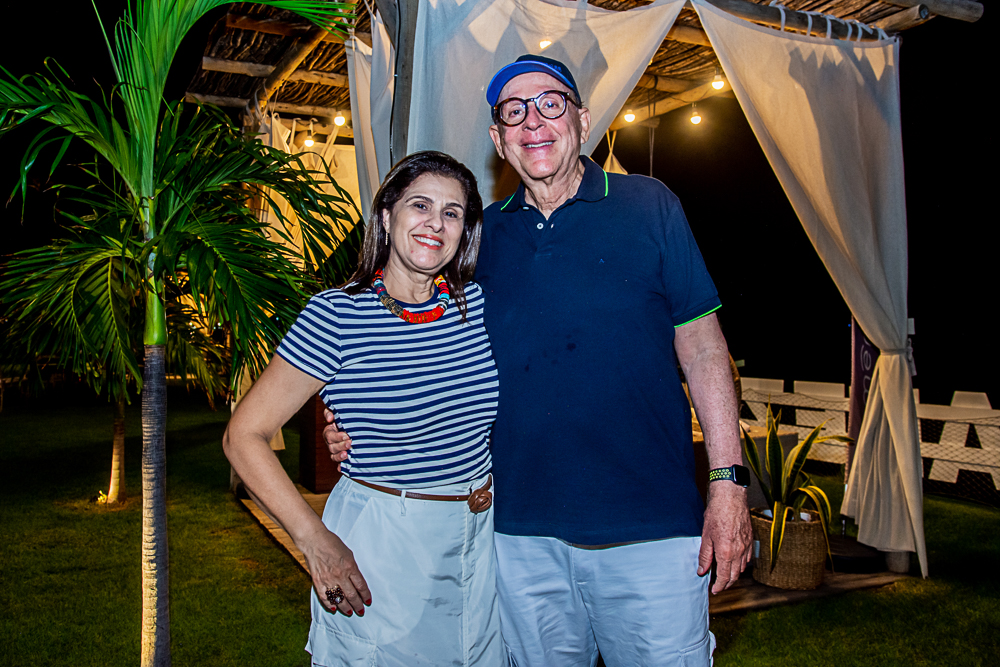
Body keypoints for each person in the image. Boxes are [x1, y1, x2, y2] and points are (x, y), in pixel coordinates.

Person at [327, 55, 752, 666]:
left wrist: (727, 484)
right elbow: (417, 343)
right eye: (514, 112)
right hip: (517, 536)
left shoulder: (649, 205)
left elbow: (705, 346)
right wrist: (354, 419)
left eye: (551, 104)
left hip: (652, 531)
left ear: (582, 121)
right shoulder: (477, 240)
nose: (533, 122)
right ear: (499, 140)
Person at [224, 151, 504, 667]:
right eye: (420, 205)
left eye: (452, 213)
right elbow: (243, 435)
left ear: (465, 231)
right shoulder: (337, 315)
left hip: (478, 541)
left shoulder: (479, 307)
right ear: (387, 215)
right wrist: (314, 540)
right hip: (382, 548)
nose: (435, 223)